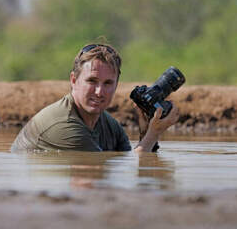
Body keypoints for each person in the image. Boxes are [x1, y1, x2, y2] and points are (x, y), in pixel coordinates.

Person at [11, 43, 179, 153]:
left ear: (116, 85)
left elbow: (131, 162)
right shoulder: (64, 125)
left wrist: (146, 130)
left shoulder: (109, 124)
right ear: (73, 80)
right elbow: (122, 169)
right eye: (92, 81)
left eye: (107, 83)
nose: (99, 92)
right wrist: (153, 134)